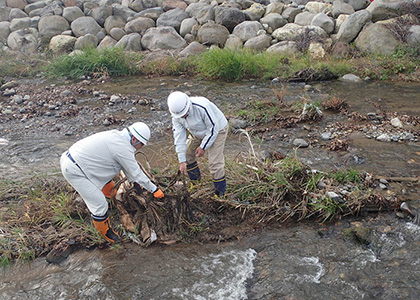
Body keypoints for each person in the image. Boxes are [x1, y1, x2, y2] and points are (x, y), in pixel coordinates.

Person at [60, 122, 164, 243]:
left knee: (109, 177)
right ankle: (107, 235)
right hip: (74, 170)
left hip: (77, 160)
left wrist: (134, 182)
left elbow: (126, 167)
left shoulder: (117, 136)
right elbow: (135, 172)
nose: (140, 147)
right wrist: (155, 190)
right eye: (141, 144)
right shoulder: (122, 147)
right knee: (99, 205)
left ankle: (113, 203)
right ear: (135, 139)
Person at [167, 91, 228, 197]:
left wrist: (203, 147)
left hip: (218, 130)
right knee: (187, 155)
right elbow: (179, 137)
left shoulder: (202, 106)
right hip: (197, 132)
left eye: (185, 114)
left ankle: (220, 194)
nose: (183, 116)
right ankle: (196, 184)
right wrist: (181, 160)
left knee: (214, 164)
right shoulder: (176, 116)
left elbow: (213, 128)